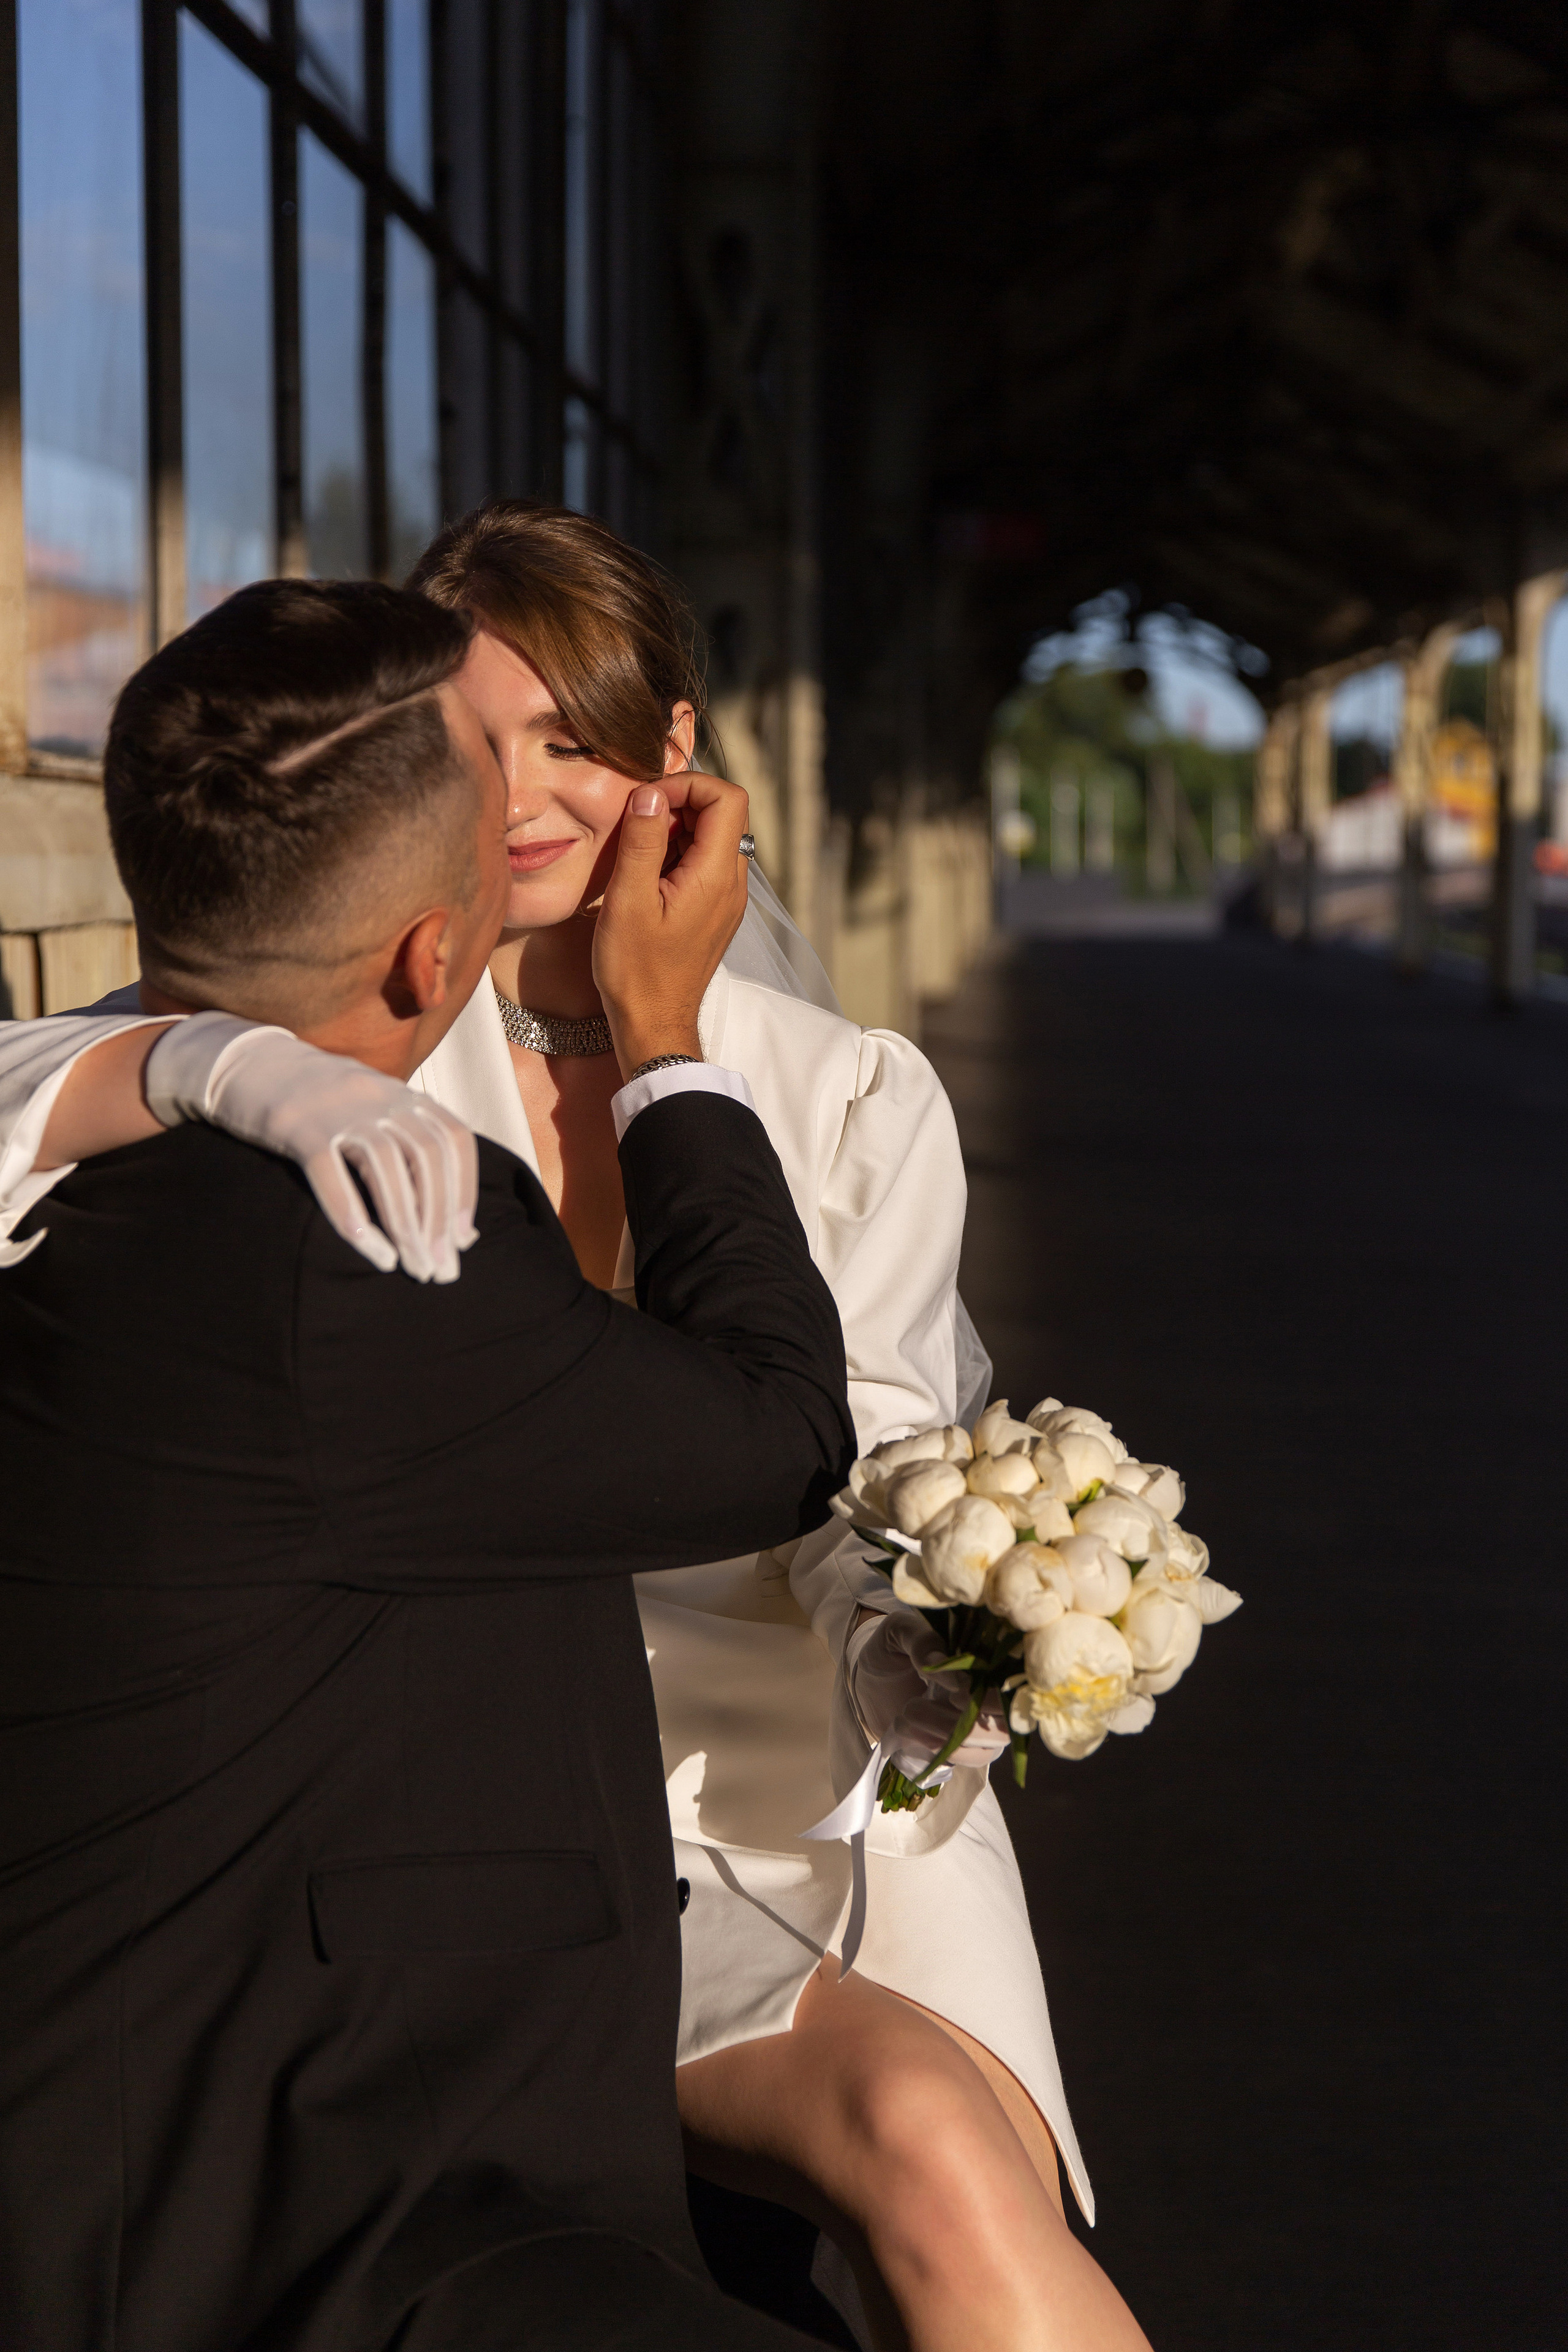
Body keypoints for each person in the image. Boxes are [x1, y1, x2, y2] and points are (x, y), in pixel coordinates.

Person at [0, 511, 1152, 2352]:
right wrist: (222, 1059)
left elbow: (867, 1449)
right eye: (478, 742)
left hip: (801, 1781)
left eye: (576, 739)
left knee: (964, 2166)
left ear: (674, 754)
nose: (524, 794)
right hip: (490, 1796)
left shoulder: (844, 1090)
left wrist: (950, 1622)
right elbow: (41, 1081)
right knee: (910, 2146)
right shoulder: (360, 1015)